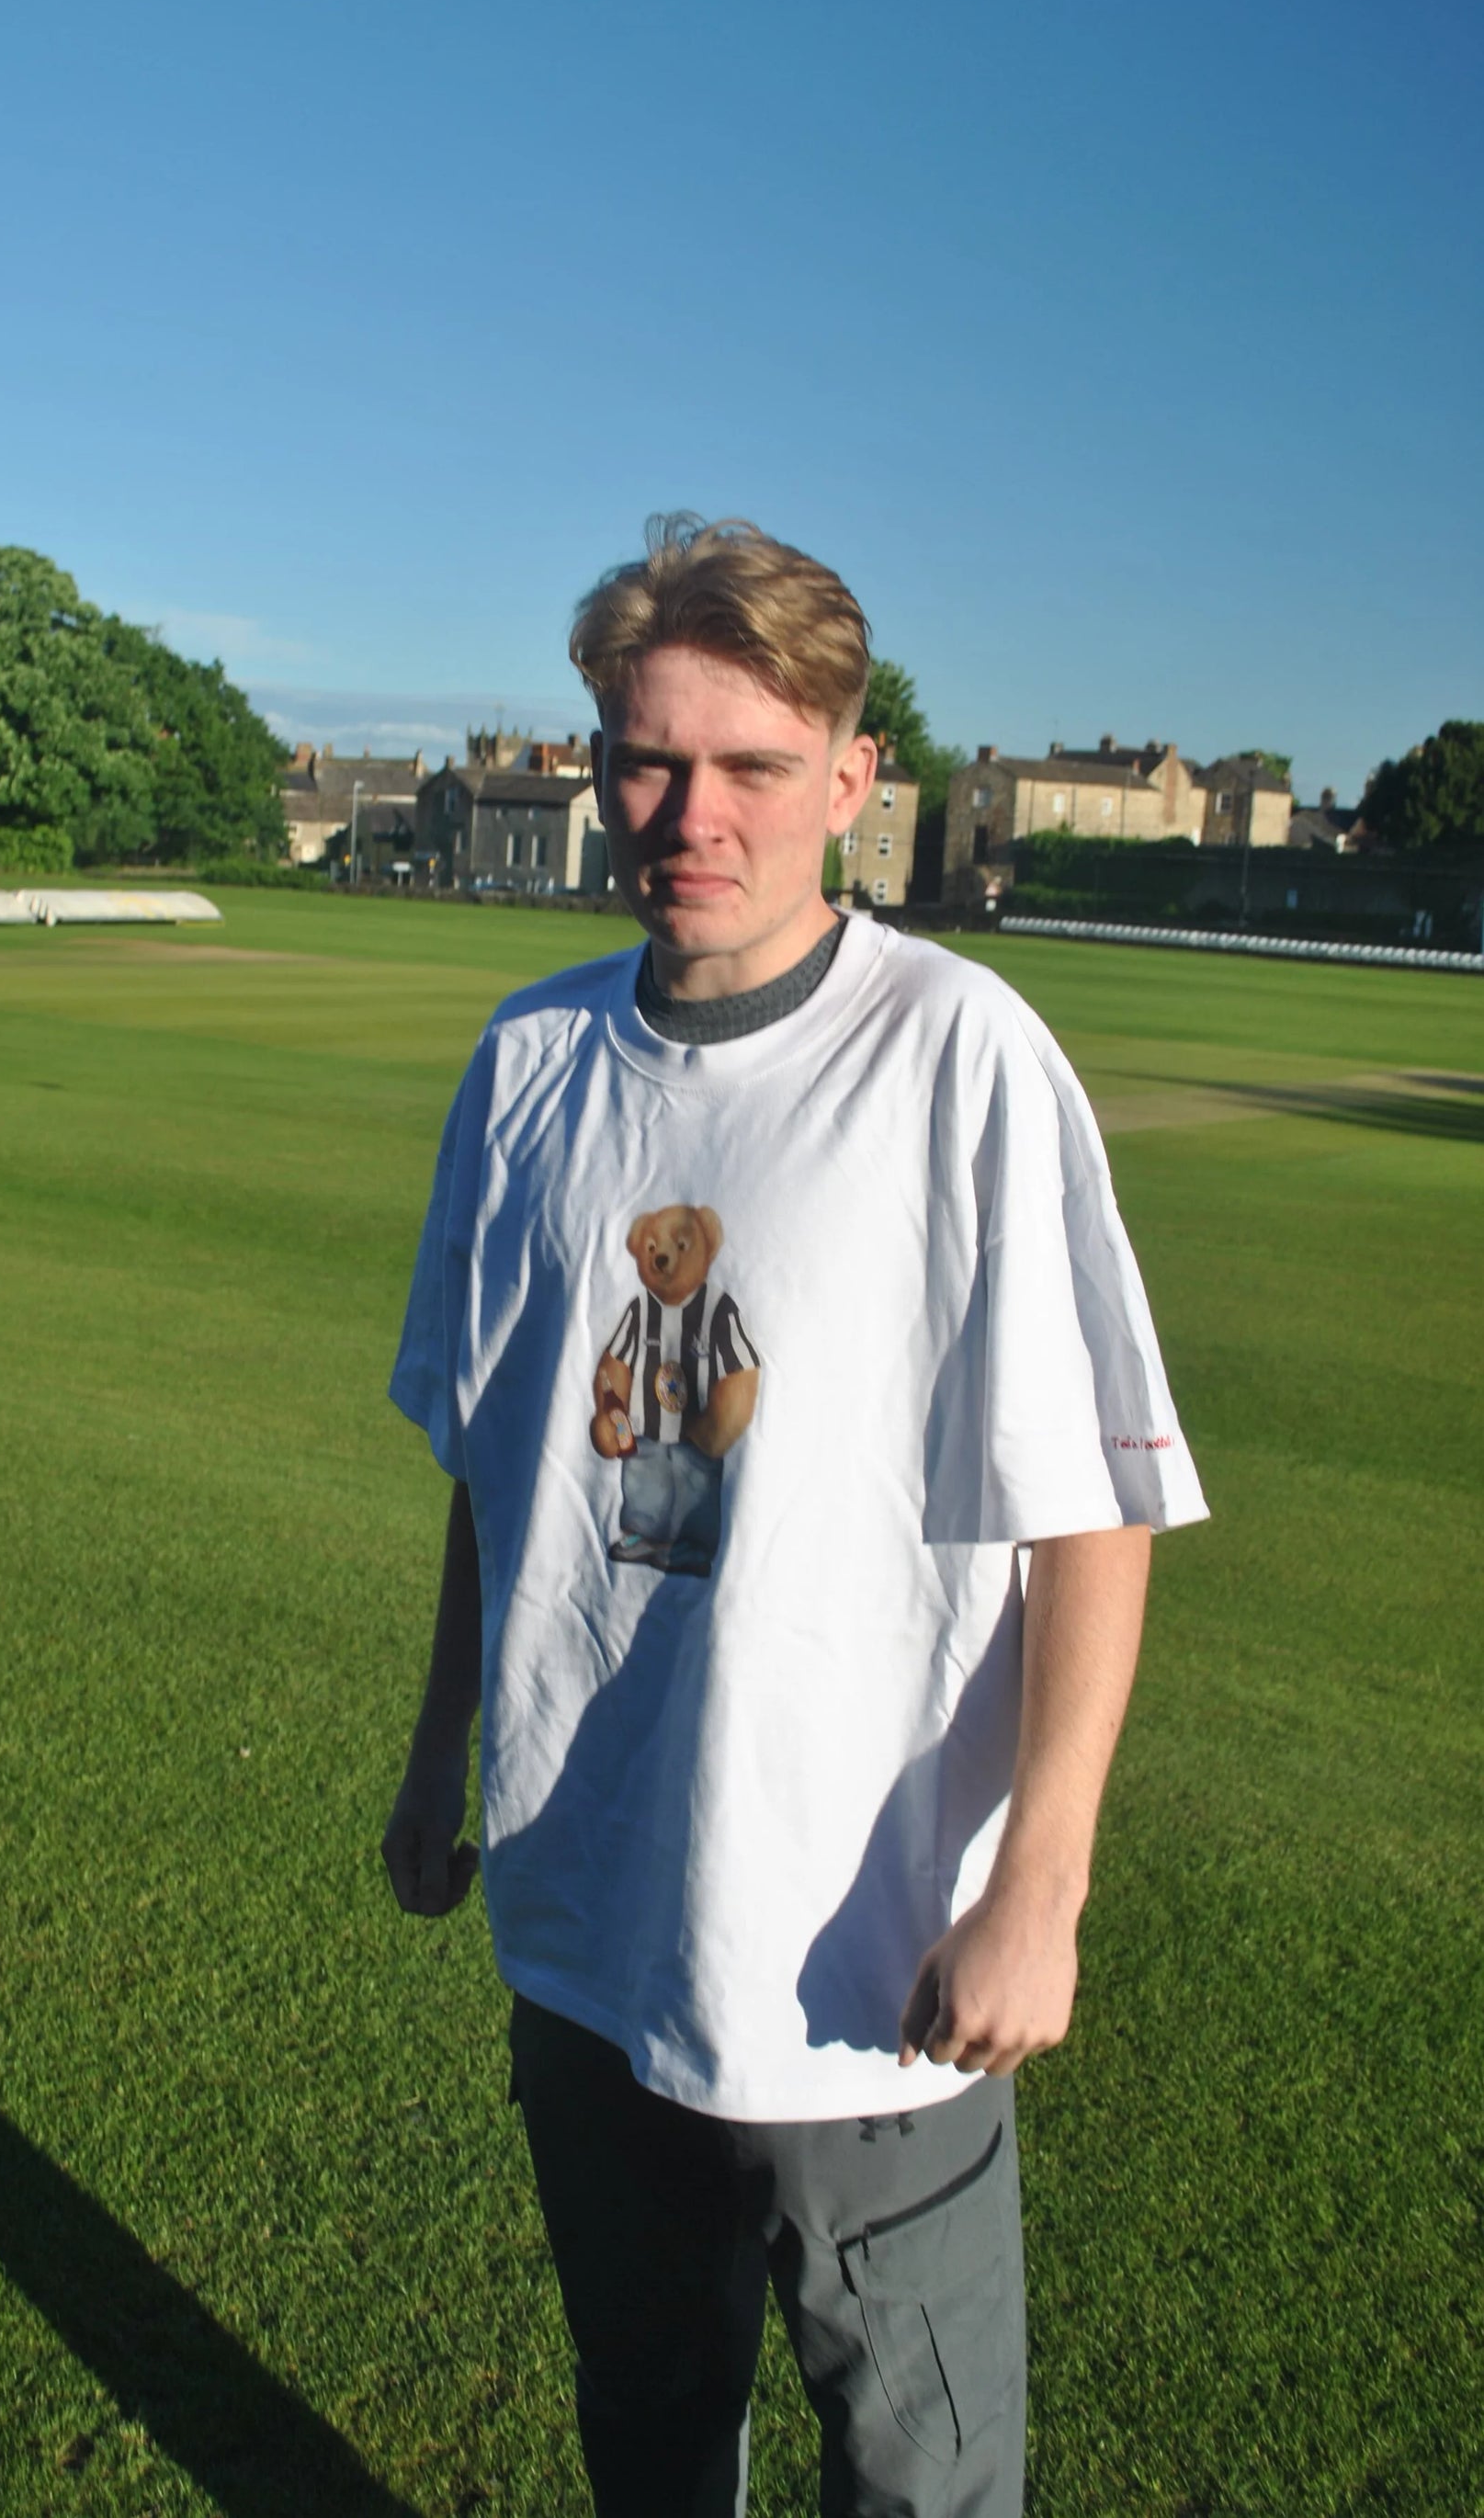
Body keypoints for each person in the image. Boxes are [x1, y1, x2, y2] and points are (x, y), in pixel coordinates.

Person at [381, 516, 1206, 2517]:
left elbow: (1093, 1501)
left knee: (916, 2473)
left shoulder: (958, 1058)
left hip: (866, 1951)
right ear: (590, 765)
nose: (693, 813)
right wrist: (434, 1762)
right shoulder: (528, 1064)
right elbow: (499, 1468)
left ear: (850, 780)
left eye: (754, 766)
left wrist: (1042, 1890)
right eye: (647, 758)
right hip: (587, 1912)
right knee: (649, 2428)